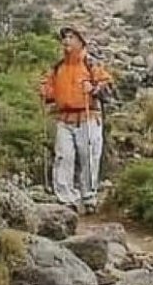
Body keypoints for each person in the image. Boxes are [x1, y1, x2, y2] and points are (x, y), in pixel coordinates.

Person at [39, 25, 113, 212]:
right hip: (64, 119)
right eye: (64, 37)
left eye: (71, 37)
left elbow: (107, 86)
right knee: (63, 156)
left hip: (88, 117)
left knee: (89, 157)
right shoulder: (58, 68)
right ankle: (65, 198)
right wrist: (46, 91)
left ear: (81, 41)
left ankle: (89, 197)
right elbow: (50, 90)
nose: (66, 41)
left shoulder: (90, 64)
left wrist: (94, 89)